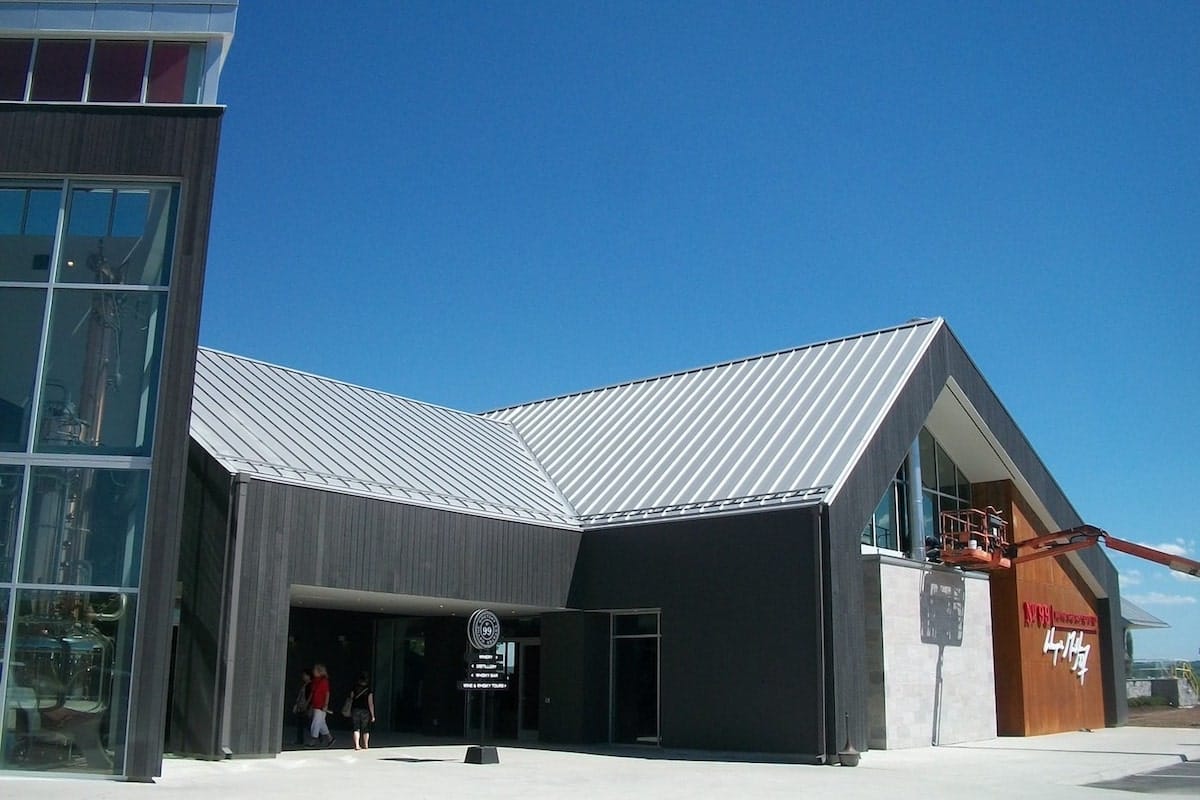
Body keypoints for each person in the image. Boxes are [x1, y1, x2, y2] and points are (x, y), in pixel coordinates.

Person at [307, 663, 335, 747]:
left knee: (316, 722)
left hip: (320, 706)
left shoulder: (323, 681)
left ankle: (313, 739)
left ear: (320, 671)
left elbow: (327, 693)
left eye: (315, 670)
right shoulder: (315, 681)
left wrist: (326, 704)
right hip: (316, 704)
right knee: (321, 723)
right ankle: (330, 738)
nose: (313, 671)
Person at [347, 672, 376, 751]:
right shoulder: (368, 689)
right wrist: (373, 715)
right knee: (365, 728)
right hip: (365, 710)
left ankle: (357, 745)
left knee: (356, 728)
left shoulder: (354, 688)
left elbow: (351, 698)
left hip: (355, 709)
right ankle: (366, 744)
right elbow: (371, 703)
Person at [292, 669, 312, 745]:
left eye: (304, 675)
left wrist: (307, 705)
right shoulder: (305, 685)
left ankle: (318, 734)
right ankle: (300, 740)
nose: (303, 677)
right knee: (301, 723)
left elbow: (309, 696)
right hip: (301, 706)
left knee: (306, 723)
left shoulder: (309, 685)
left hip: (304, 706)